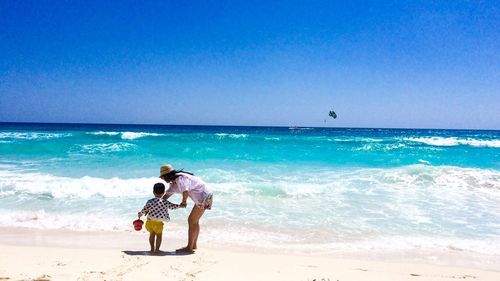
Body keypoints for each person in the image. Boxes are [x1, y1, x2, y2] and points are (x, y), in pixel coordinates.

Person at [159, 164, 212, 253]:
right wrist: (158, 204)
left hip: (204, 197)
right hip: (204, 197)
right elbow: (167, 195)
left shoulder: (180, 179)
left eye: (162, 177)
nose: (162, 179)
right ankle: (193, 245)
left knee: (191, 220)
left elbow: (185, 191)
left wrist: (184, 202)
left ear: (166, 176)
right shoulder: (174, 183)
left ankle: (189, 248)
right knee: (194, 221)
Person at [138, 182, 183, 254]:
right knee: (159, 236)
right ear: (163, 193)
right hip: (158, 223)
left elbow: (145, 209)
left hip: (149, 221)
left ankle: (152, 249)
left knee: (152, 235)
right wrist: (180, 206)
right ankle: (157, 250)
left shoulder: (150, 201)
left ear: (153, 192)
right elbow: (172, 206)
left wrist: (140, 214)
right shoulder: (165, 202)